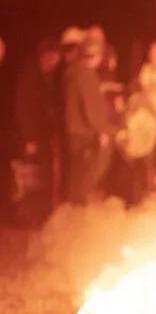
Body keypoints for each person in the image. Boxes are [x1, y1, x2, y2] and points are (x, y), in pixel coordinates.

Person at [63, 41, 115, 205]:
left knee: (77, 174)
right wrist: (103, 130)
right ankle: (79, 214)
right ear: (97, 57)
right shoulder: (86, 75)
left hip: (75, 131)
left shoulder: (72, 72)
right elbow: (91, 107)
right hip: (85, 133)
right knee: (86, 175)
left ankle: (73, 213)